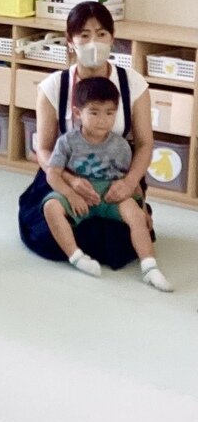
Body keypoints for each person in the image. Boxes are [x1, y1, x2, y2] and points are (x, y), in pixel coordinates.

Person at [19, 1, 154, 269]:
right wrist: (69, 181)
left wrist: (129, 183)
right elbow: (43, 149)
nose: (94, 42)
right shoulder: (53, 86)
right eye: (84, 35)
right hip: (65, 171)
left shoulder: (133, 83)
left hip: (115, 175)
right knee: (45, 233)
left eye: (101, 34)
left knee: (123, 242)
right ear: (70, 41)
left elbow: (145, 144)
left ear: (112, 38)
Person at [41, 78, 172, 290]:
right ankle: (77, 257)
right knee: (50, 207)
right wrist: (70, 194)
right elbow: (52, 174)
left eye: (110, 113)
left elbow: (130, 180)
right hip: (79, 192)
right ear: (77, 113)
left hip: (111, 194)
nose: (102, 120)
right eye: (94, 113)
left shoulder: (121, 145)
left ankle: (150, 267)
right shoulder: (67, 142)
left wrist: (142, 207)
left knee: (136, 216)